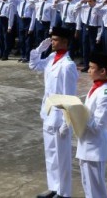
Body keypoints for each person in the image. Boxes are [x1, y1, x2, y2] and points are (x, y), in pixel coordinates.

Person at [29, 25, 78, 198]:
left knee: (62, 156)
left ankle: (64, 193)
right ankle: (54, 187)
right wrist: (38, 50)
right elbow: (34, 65)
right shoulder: (51, 57)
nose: (52, 43)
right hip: (48, 111)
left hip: (60, 115)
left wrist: (67, 121)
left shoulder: (68, 65)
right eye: (52, 39)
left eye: (55, 40)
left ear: (65, 42)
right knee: (50, 152)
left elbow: (69, 96)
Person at [75, 51, 107, 198]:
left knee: (95, 190)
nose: (89, 70)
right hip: (87, 144)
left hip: (95, 146)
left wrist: (77, 113)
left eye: (92, 68)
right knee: (88, 186)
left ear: (103, 71)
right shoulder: (96, 88)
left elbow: (97, 125)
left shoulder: (105, 94)